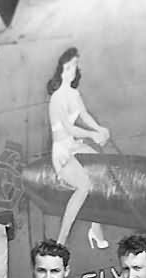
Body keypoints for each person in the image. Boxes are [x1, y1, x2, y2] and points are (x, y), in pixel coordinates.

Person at [47, 46, 111, 249]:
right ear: (63, 68)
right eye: (71, 65)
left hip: (75, 147)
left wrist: (100, 129)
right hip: (63, 152)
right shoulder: (57, 98)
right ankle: (61, 242)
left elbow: (84, 115)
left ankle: (95, 228)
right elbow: (69, 129)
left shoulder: (74, 93)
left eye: (76, 64)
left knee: (103, 171)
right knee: (84, 186)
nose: (74, 68)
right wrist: (92, 135)